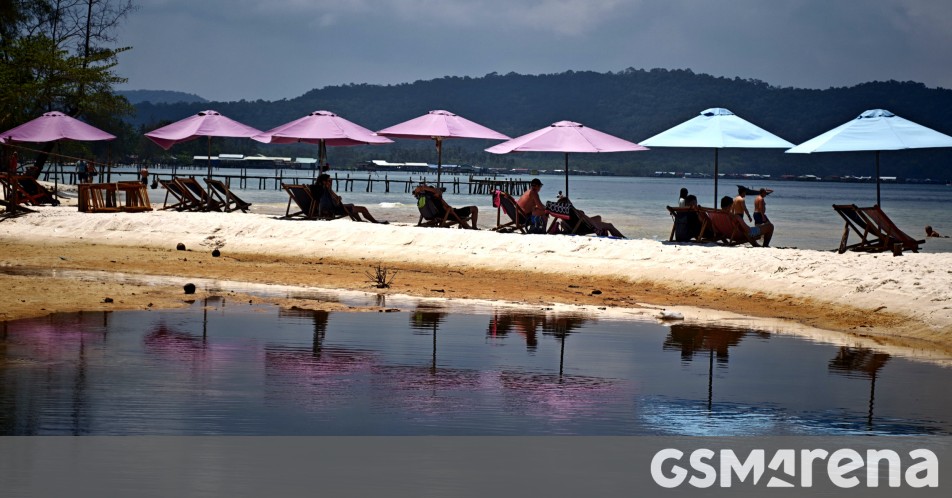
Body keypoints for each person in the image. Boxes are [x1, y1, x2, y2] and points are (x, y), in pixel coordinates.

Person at [316, 173, 386, 223]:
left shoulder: (321, 190)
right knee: (363, 209)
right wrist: (337, 198)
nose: (330, 182)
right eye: (328, 180)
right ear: (324, 181)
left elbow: (331, 201)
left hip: (331, 209)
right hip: (334, 210)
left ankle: (359, 221)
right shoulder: (325, 191)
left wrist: (333, 194)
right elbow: (335, 204)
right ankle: (375, 222)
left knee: (352, 205)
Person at [415, 184, 479, 229]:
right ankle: (474, 227)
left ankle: (468, 226)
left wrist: (423, 188)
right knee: (474, 208)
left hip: (438, 215)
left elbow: (416, 191)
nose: (440, 192)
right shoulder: (437, 199)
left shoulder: (426, 199)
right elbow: (448, 208)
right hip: (448, 214)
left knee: (460, 214)